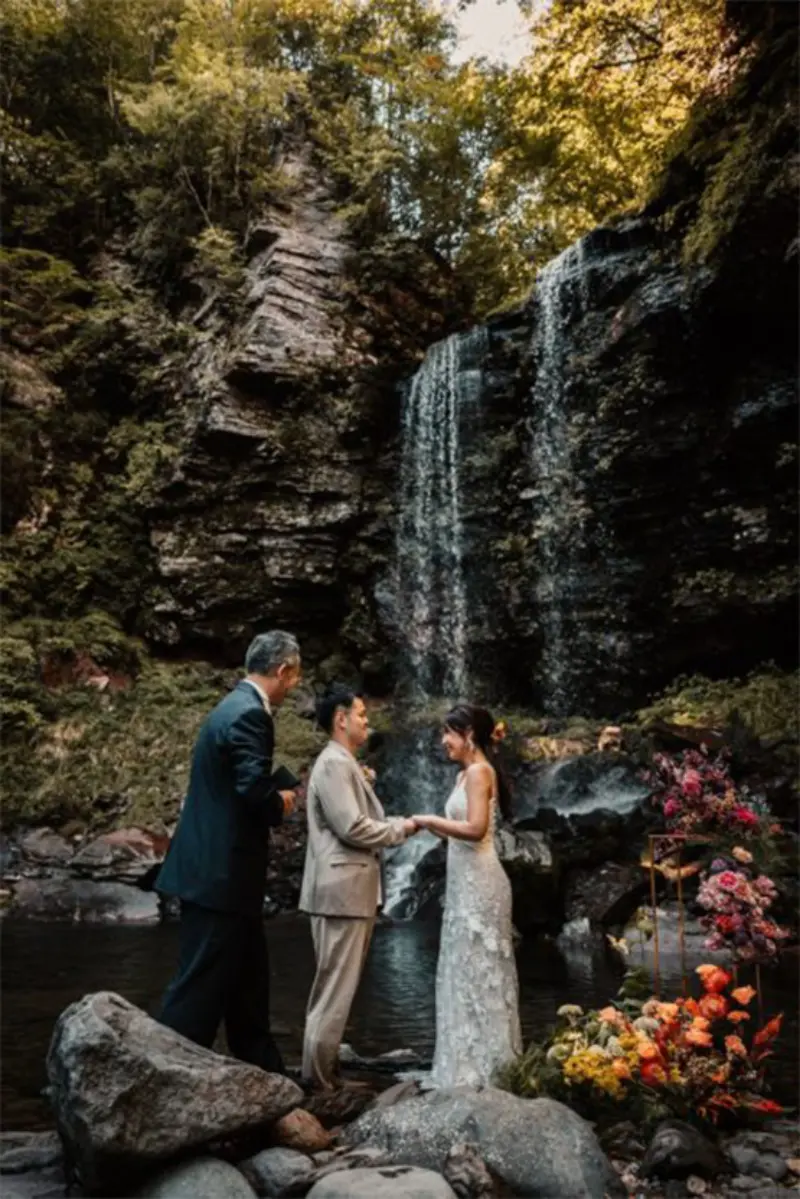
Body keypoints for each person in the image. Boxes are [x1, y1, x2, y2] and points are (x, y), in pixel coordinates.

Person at [155, 630, 302, 1074]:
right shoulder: (249, 716)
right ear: (282, 671)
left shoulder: (233, 707)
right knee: (198, 988)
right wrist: (283, 802)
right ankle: (161, 1075)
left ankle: (269, 1078)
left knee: (247, 985)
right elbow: (251, 789)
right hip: (221, 875)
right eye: (294, 677)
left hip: (223, 876)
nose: (294, 686)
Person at [299, 684, 417, 1091]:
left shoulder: (342, 762)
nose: (368, 721)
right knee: (333, 988)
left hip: (347, 890)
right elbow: (352, 826)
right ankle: (318, 1081)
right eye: (362, 714)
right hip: (341, 890)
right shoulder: (334, 764)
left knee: (336, 986)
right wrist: (400, 829)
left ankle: (325, 1072)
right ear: (341, 718)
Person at [412, 702, 522, 1087]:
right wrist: (431, 828)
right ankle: (463, 1062)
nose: (443, 741)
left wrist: (429, 820)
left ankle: (488, 1068)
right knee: (463, 965)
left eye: (448, 732)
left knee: (482, 967)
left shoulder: (478, 772)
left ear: (469, 734)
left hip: (481, 881)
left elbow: (475, 829)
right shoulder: (464, 776)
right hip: (464, 881)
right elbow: (462, 829)